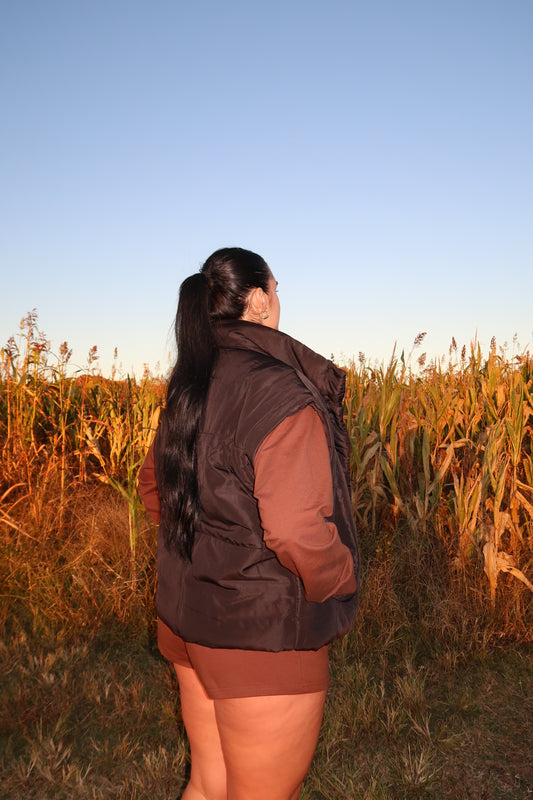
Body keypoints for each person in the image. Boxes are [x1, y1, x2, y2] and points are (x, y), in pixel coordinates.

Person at [138, 247, 360, 800]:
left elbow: (154, 490)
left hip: (189, 621)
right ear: (259, 300)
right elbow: (295, 530)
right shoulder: (281, 390)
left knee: (207, 784)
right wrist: (340, 577)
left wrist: (207, 554)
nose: (279, 300)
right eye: (277, 289)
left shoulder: (190, 382)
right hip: (260, 637)